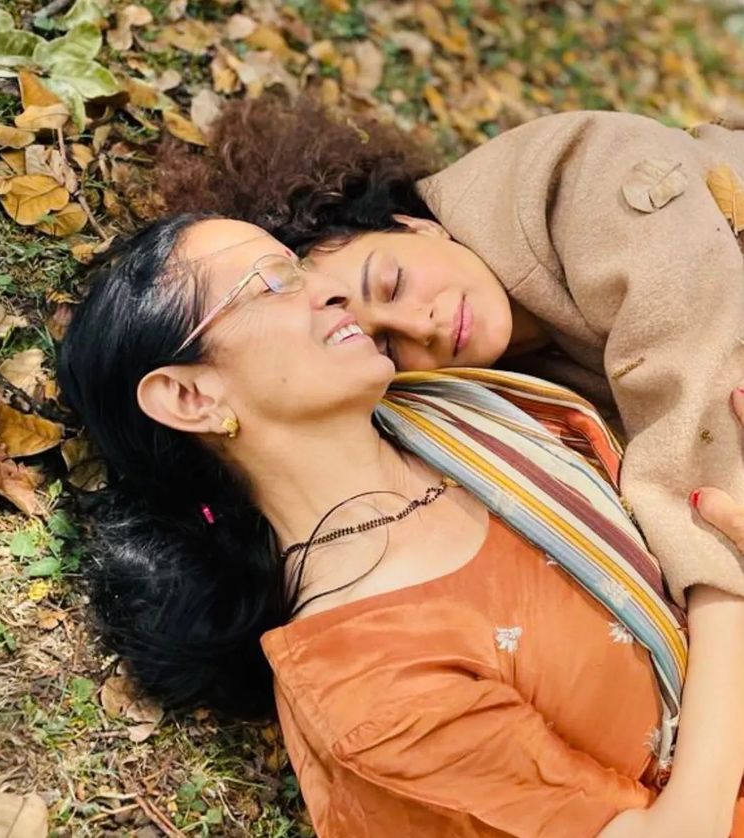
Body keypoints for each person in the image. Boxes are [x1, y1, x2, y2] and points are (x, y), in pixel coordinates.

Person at [58, 214, 744, 837]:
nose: (327, 292)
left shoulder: (463, 411)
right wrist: (729, 579)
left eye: (299, 269)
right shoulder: (369, 684)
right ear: (191, 397)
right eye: (269, 284)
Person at [157, 96, 744, 613]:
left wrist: (716, 596)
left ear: (416, 227)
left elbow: (701, 397)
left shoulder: (583, 171)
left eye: (390, 284)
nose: (423, 325)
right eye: (386, 343)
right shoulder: (495, 395)